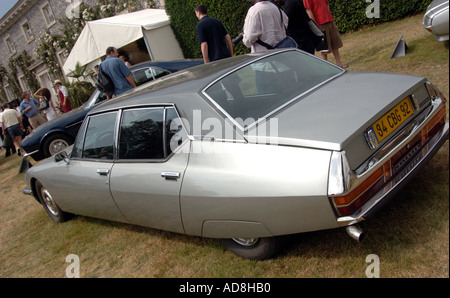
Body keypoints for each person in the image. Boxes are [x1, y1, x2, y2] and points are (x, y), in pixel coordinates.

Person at [303, 0, 348, 68]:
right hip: (320, 24)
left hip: (329, 21)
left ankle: (339, 64)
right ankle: (326, 67)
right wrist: (315, 25)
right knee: (323, 48)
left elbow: (326, 4)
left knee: (335, 43)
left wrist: (329, 16)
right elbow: (309, 11)